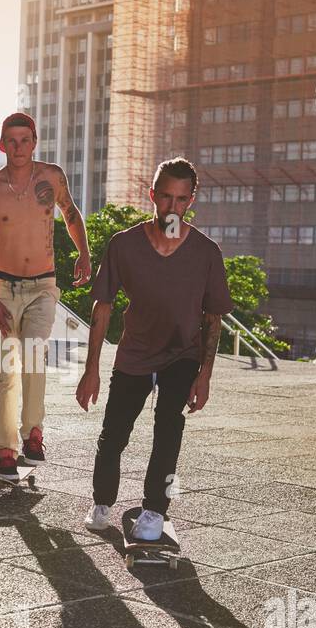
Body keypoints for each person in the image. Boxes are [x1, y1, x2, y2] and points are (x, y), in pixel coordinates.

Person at [75, 157, 233, 542]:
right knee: (113, 434)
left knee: (168, 431)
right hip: (135, 353)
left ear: (191, 201)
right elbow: (103, 307)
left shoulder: (206, 252)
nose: (172, 208)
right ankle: (102, 501)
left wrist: (205, 376)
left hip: (183, 355)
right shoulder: (124, 245)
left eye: (181, 200)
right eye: (165, 197)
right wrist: (91, 368)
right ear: (152, 196)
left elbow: (213, 317)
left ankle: (153, 510)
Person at [0, 112, 91, 480]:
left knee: (35, 356)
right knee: (7, 373)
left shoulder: (51, 178)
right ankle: (6, 450)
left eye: (26, 139)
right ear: (3, 144)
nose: (19, 147)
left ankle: (33, 433)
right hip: (3, 288)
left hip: (42, 286)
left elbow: (71, 214)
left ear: (34, 142)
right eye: (12, 140)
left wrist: (83, 252)